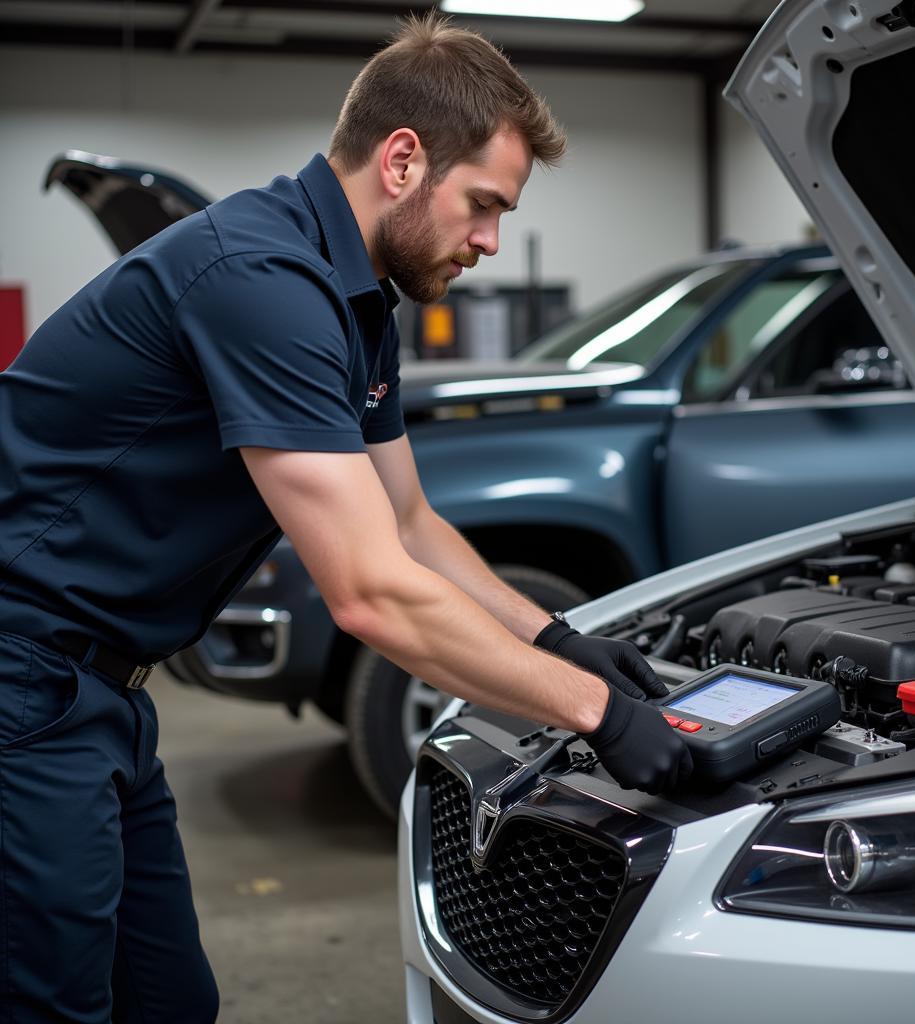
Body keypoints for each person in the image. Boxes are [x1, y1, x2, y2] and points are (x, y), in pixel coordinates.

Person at [0, 13, 692, 1022]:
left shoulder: (356, 300)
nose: (491, 242)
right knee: (52, 1005)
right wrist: (593, 714)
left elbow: (408, 522)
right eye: (484, 205)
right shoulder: (261, 278)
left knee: (167, 1000)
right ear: (403, 160)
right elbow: (370, 591)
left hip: (100, 694)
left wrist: (562, 642)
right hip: (23, 677)